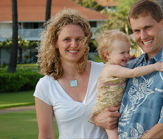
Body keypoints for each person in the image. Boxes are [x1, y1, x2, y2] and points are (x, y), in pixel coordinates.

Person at [94, 0, 163, 139]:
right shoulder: (131, 65)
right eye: (136, 30)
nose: (143, 36)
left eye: (148, 27)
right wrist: (99, 118)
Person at [33, 9, 108, 139]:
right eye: (67, 39)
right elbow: (45, 136)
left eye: (79, 39)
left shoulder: (105, 72)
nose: (74, 45)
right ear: (55, 42)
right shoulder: (45, 86)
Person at [88, 30, 163, 139]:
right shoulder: (111, 69)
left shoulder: (116, 66)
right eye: (122, 53)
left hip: (115, 107)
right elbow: (133, 73)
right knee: (114, 136)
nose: (127, 55)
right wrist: (155, 67)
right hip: (108, 109)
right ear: (107, 54)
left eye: (128, 51)